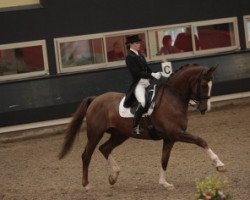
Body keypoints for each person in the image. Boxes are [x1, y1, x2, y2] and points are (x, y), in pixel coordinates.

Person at [123, 35, 162, 135]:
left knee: (156, 99)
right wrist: (151, 74)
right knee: (143, 102)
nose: (139, 44)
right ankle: (135, 126)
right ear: (131, 44)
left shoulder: (140, 55)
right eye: (136, 43)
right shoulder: (129, 57)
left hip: (147, 83)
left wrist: (156, 74)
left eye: (139, 43)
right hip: (138, 84)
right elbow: (137, 73)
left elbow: (147, 69)